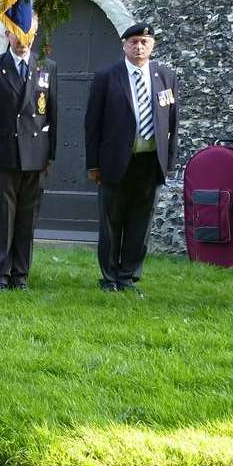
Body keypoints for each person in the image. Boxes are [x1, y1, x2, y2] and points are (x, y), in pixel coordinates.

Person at [84, 23, 179, 294]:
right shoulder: (106, 77)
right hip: (115, 161)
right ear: (124, 45)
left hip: (150, 162)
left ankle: (129, 276)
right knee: (112, 222)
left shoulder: (166, 77)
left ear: (153, 45)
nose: (139, 47)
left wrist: (169, 162)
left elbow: (173, 122)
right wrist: (93, 164)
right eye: (134, 42)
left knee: (141, 222)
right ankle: (110, 278)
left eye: (144, 42)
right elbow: (92, 124)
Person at [0, 24, 57, 290]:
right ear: (7, 35)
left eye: (28, 36)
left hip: (36, 154)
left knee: (27, 216)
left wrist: (51, 156)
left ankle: (21, 274)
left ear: (34, 36)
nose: (22, 41)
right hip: (4, 153)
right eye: (17, 35)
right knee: (4, 216)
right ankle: (1, 273)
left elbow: (53, 114)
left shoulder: (47, 67)